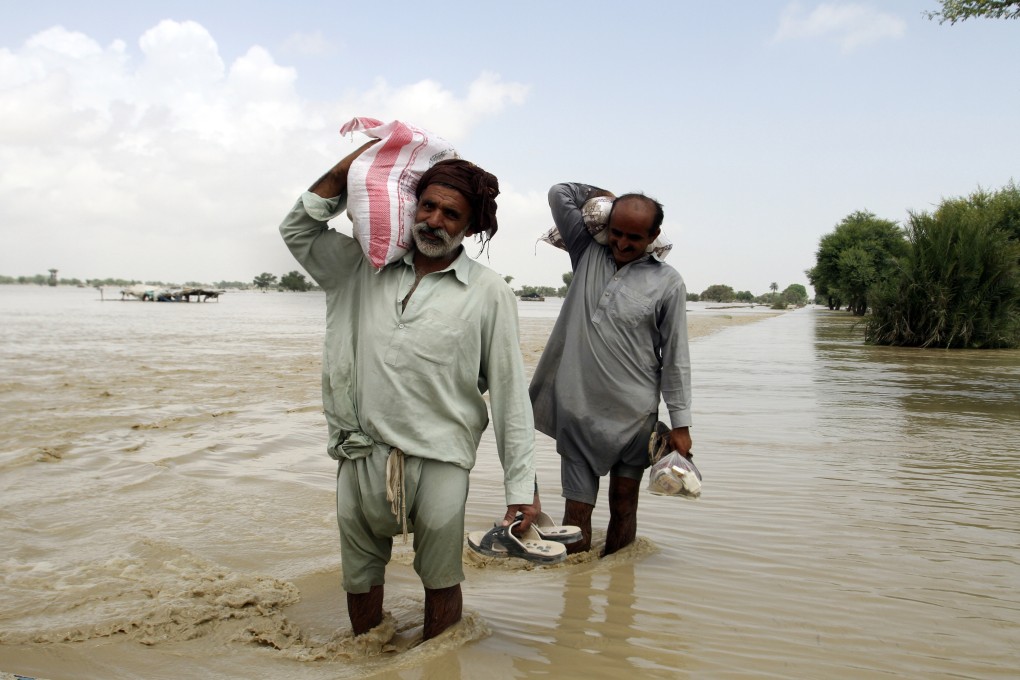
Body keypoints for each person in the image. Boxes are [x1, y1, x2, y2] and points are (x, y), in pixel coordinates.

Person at [279, 142, 539, 640]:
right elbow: (297, 228)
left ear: (471, 226)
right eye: (427, 205)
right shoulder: (361, 266)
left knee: (441, 579)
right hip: (360, 451)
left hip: (440, 457)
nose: (434, 221)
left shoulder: (489, 293)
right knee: (358, 579)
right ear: (412, 206)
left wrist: (519, 492)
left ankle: (438, 658)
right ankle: (367, 657)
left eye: (451, 213)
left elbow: (509, 397)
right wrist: (346, 169)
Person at [529, 182, 693, 556]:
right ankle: (577, 598)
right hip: (578, 412)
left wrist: (681, 425)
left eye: (634, 237)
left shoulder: (668, 283)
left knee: (623, 506)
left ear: (653, 236)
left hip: (634, 419)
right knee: (576, 513)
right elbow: (559, 194)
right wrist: (607, 195)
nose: (621, 243)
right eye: (615, 231)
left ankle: (620, 588)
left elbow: (676, 358)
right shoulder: (586, 253)